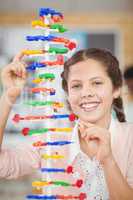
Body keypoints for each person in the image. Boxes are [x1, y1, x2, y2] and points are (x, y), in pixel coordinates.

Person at [0, 48, 133, 199]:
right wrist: (8, 95)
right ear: (68, 95)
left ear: (116, 89)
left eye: (96, 83)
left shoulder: (130, 138)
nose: (86, 93)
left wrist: (108, 161)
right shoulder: (51, 142)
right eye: (76, 86)